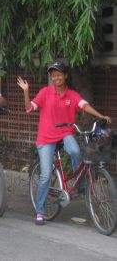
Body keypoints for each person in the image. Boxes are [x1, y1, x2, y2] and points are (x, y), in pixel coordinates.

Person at [17, 61, 112, 225]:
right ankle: (40, 211)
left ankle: (80, 186)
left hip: (65, 132)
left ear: (65, 76)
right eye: (53, 75)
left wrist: (100, 116)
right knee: (46, 175)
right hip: (46, 137)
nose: (56, 78)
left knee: (76, 151)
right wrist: (26, 92)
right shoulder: (45, 92)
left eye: (59, 74)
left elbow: (84, 105)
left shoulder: (72, 94)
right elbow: (29, 108)